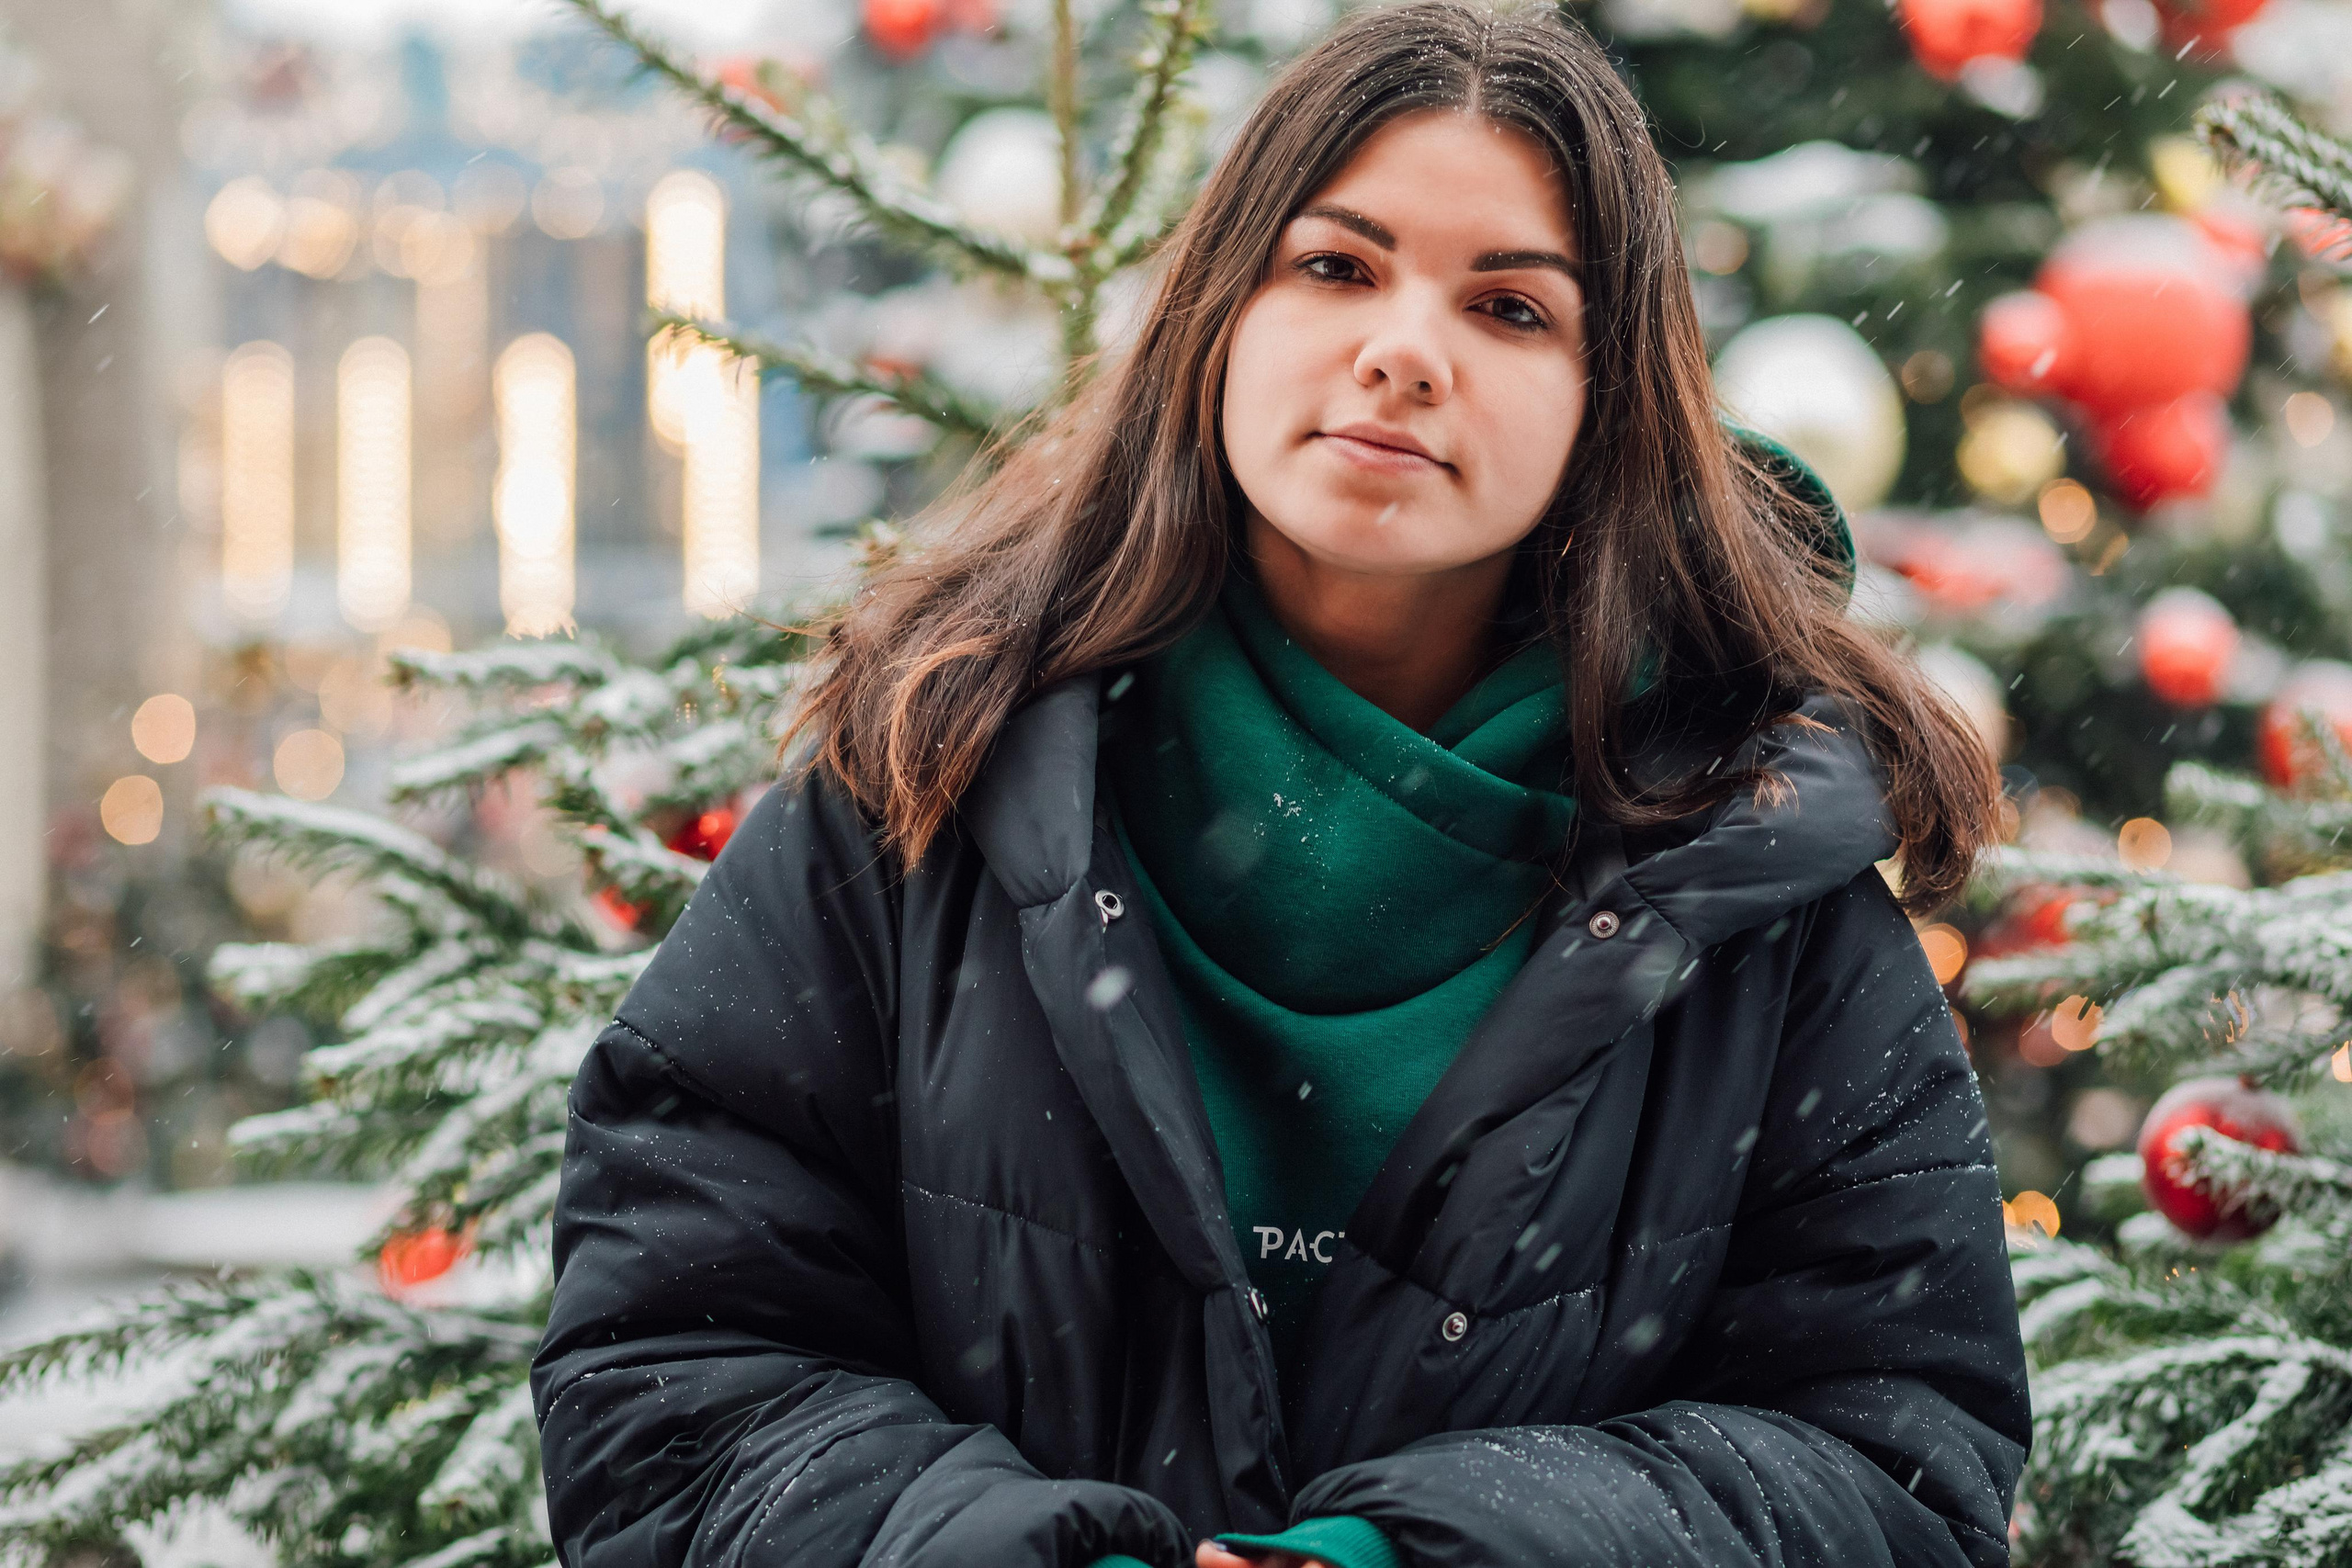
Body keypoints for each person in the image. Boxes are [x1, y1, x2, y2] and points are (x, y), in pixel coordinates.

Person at [529, 4, 2030, 1566]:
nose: (1402, 350)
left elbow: (1894, 1464)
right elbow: (678, 1382)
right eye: (1335, 267)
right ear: (1220, 315)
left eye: (1511, 309)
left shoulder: (1757, 883)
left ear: (1611, 404)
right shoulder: (917, 789)